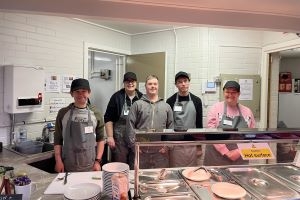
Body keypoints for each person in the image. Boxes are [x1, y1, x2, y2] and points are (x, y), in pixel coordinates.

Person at [54, 78, 105, 172]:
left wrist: (98, 161)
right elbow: (58, 139)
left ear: (89, 93)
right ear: (71, 93)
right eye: (77, 91)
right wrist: (58, 161)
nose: (80, 94)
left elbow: (101, 139)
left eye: (84, 91)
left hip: (91, 164)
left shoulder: (96, 113)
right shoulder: (63, 113)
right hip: (68, 165)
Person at [126, 75, 173, 169]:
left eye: (155, 84)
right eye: (150, 84)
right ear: (145, 86)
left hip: (160, 153)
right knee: (140, 179)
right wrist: (133, 146)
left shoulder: (166, 106)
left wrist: (167, 146)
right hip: (141, 151)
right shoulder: (137, 105)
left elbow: (171, 127)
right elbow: (130, 126)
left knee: (159, 179)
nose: (152, 86)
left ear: (158, 86)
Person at [203, 80, 255, 166]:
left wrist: (239, 151)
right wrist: (226, 152)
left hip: (239, 158)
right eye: (227, 92)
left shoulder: (247, 111)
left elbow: (252, 135)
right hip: (217, 158)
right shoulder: (215, 108)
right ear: (223, 92)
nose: (230, 95)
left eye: (233, 92)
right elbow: (211, 132)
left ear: (239, 94)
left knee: (239, 178)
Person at [104, 72, 143, 166]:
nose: (130, 83)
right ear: (124, 83)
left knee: (136, 164)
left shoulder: (142, 97)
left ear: (136, 83)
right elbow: (108, 118)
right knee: (119, 166)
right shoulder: (116, 97)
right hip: (119, 139)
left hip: (136, 138)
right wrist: (110, 137)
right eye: (127, 81)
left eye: (132, 81)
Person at [166, 71, 203, 167]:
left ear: (189, 82)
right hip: (175, 142)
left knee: (190, 170)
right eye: (180, 82)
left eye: (185, 81)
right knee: (175, 169)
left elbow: (199, 124)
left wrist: (199, 145)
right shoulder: (170, 101)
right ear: (176, 84)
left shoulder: (196, 101)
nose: (183, 84)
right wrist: (167, 143)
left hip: (192, 141)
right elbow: (168, 124)